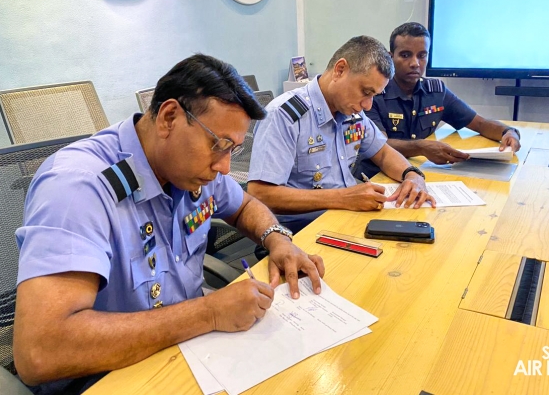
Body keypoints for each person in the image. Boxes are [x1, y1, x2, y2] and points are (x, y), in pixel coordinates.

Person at [13, 54, 325, 393]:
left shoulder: (194, 170)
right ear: (169, 117)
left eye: (233, 149)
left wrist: (277, 239)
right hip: (106, 377)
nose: (224, 167)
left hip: (186, 349)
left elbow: (244, 205)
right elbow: (41, 352)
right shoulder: (77, 189)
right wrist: (208, 313)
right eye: (219, 145)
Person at [247, 36, 436, 234]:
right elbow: (261, 194)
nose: (368, 105)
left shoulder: (352, 112)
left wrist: (412, 175)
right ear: (340, 70)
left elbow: (383, 153)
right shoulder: (285, 115)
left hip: (346, 218)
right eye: (366, 92)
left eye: (374, 95)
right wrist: (343, 198)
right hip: (301, 230)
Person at [354, 22, 522, 179]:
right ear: (390, 58)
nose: (415, 63)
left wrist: (508, 132)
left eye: (422, 55)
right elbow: (379, 146)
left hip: (420, 171)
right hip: (377, 176)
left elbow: (480, 123)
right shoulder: (374, 93)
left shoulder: (435, 91)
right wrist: (421, 147)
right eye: (405, 55)